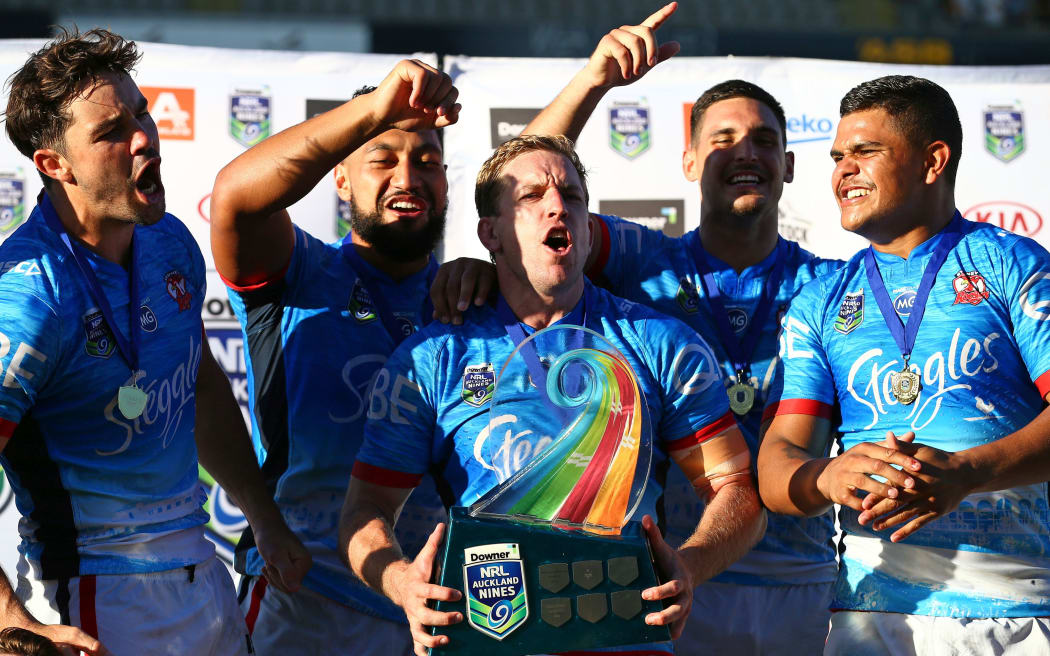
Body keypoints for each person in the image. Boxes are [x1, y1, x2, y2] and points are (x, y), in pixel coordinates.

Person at [432, 5, 841, 653]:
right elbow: (527, 190)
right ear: (686, 162)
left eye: (764, 140)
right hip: (670, 579)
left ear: (790, 165)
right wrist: (594, 79)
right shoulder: (644, 261)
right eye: (723, 139)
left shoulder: (833, 287)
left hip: (803, 578)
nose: (746, 153)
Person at [341, 134, 765, 656]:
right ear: (490, 233)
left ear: (588, 229)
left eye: (571, 195)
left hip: (623, 638)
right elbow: (364, 509)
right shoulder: (432, 358)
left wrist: (690, 567)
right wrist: (403, 583)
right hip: (488, 638)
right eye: (530, 197)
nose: (556, 206)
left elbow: (739, 491)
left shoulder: (662, 343)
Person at [0, 28, 309, 656]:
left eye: (142, 112)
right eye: (111, 131)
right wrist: (12, 619)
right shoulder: (29, 297)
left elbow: (196, 382)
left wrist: (262, 516)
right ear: (54, 164)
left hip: (203, 579)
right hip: (91, 598)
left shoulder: (169, 241)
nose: (144, 136)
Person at [758, 74, 1050, 655]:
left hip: (1016, 612)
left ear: (932, 161)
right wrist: (825, 477)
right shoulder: (819, 301)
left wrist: (969, 472)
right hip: (869, 620)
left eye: (865, 152)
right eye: (838, 156)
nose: (843, 171)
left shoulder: (1013, 263)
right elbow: (777, 464)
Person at [209, 60, 467, 655]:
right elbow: (235, 199)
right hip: (305, 607)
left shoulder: (472, 296)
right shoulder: (299, 272)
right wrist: (375, 108)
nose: (408, 176)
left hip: (446, 617)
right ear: (340, 178)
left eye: (427, 162)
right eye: (382, 158)